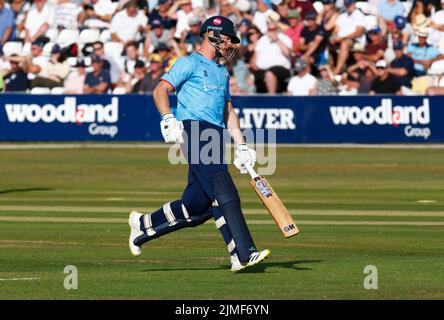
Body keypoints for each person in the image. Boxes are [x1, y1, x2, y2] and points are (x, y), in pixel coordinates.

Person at [128, 15, 270, 272]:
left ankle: (143, 225)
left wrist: (241, 145)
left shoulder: (222, 72)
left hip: (214, 134)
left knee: (198, 205)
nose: (229, 46)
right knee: (223, 190)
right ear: (212, 35)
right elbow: (160, 90)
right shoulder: (188, 63)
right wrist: (168, 118)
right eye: (227, 40)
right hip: (193, 130)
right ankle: (243, 253)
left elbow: (229, 111)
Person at [251, 21, 292, 93]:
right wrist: (253, 63)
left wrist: (277, 40)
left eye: (274, 29)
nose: (272, 31)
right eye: (270, 29)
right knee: (250, 77)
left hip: (281, 69)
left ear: (278, 29)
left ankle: (271, 97)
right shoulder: (262, 40)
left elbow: (287, 53)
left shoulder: (285, 38)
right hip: (262, 69)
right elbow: (255, 55)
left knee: (269, 73)